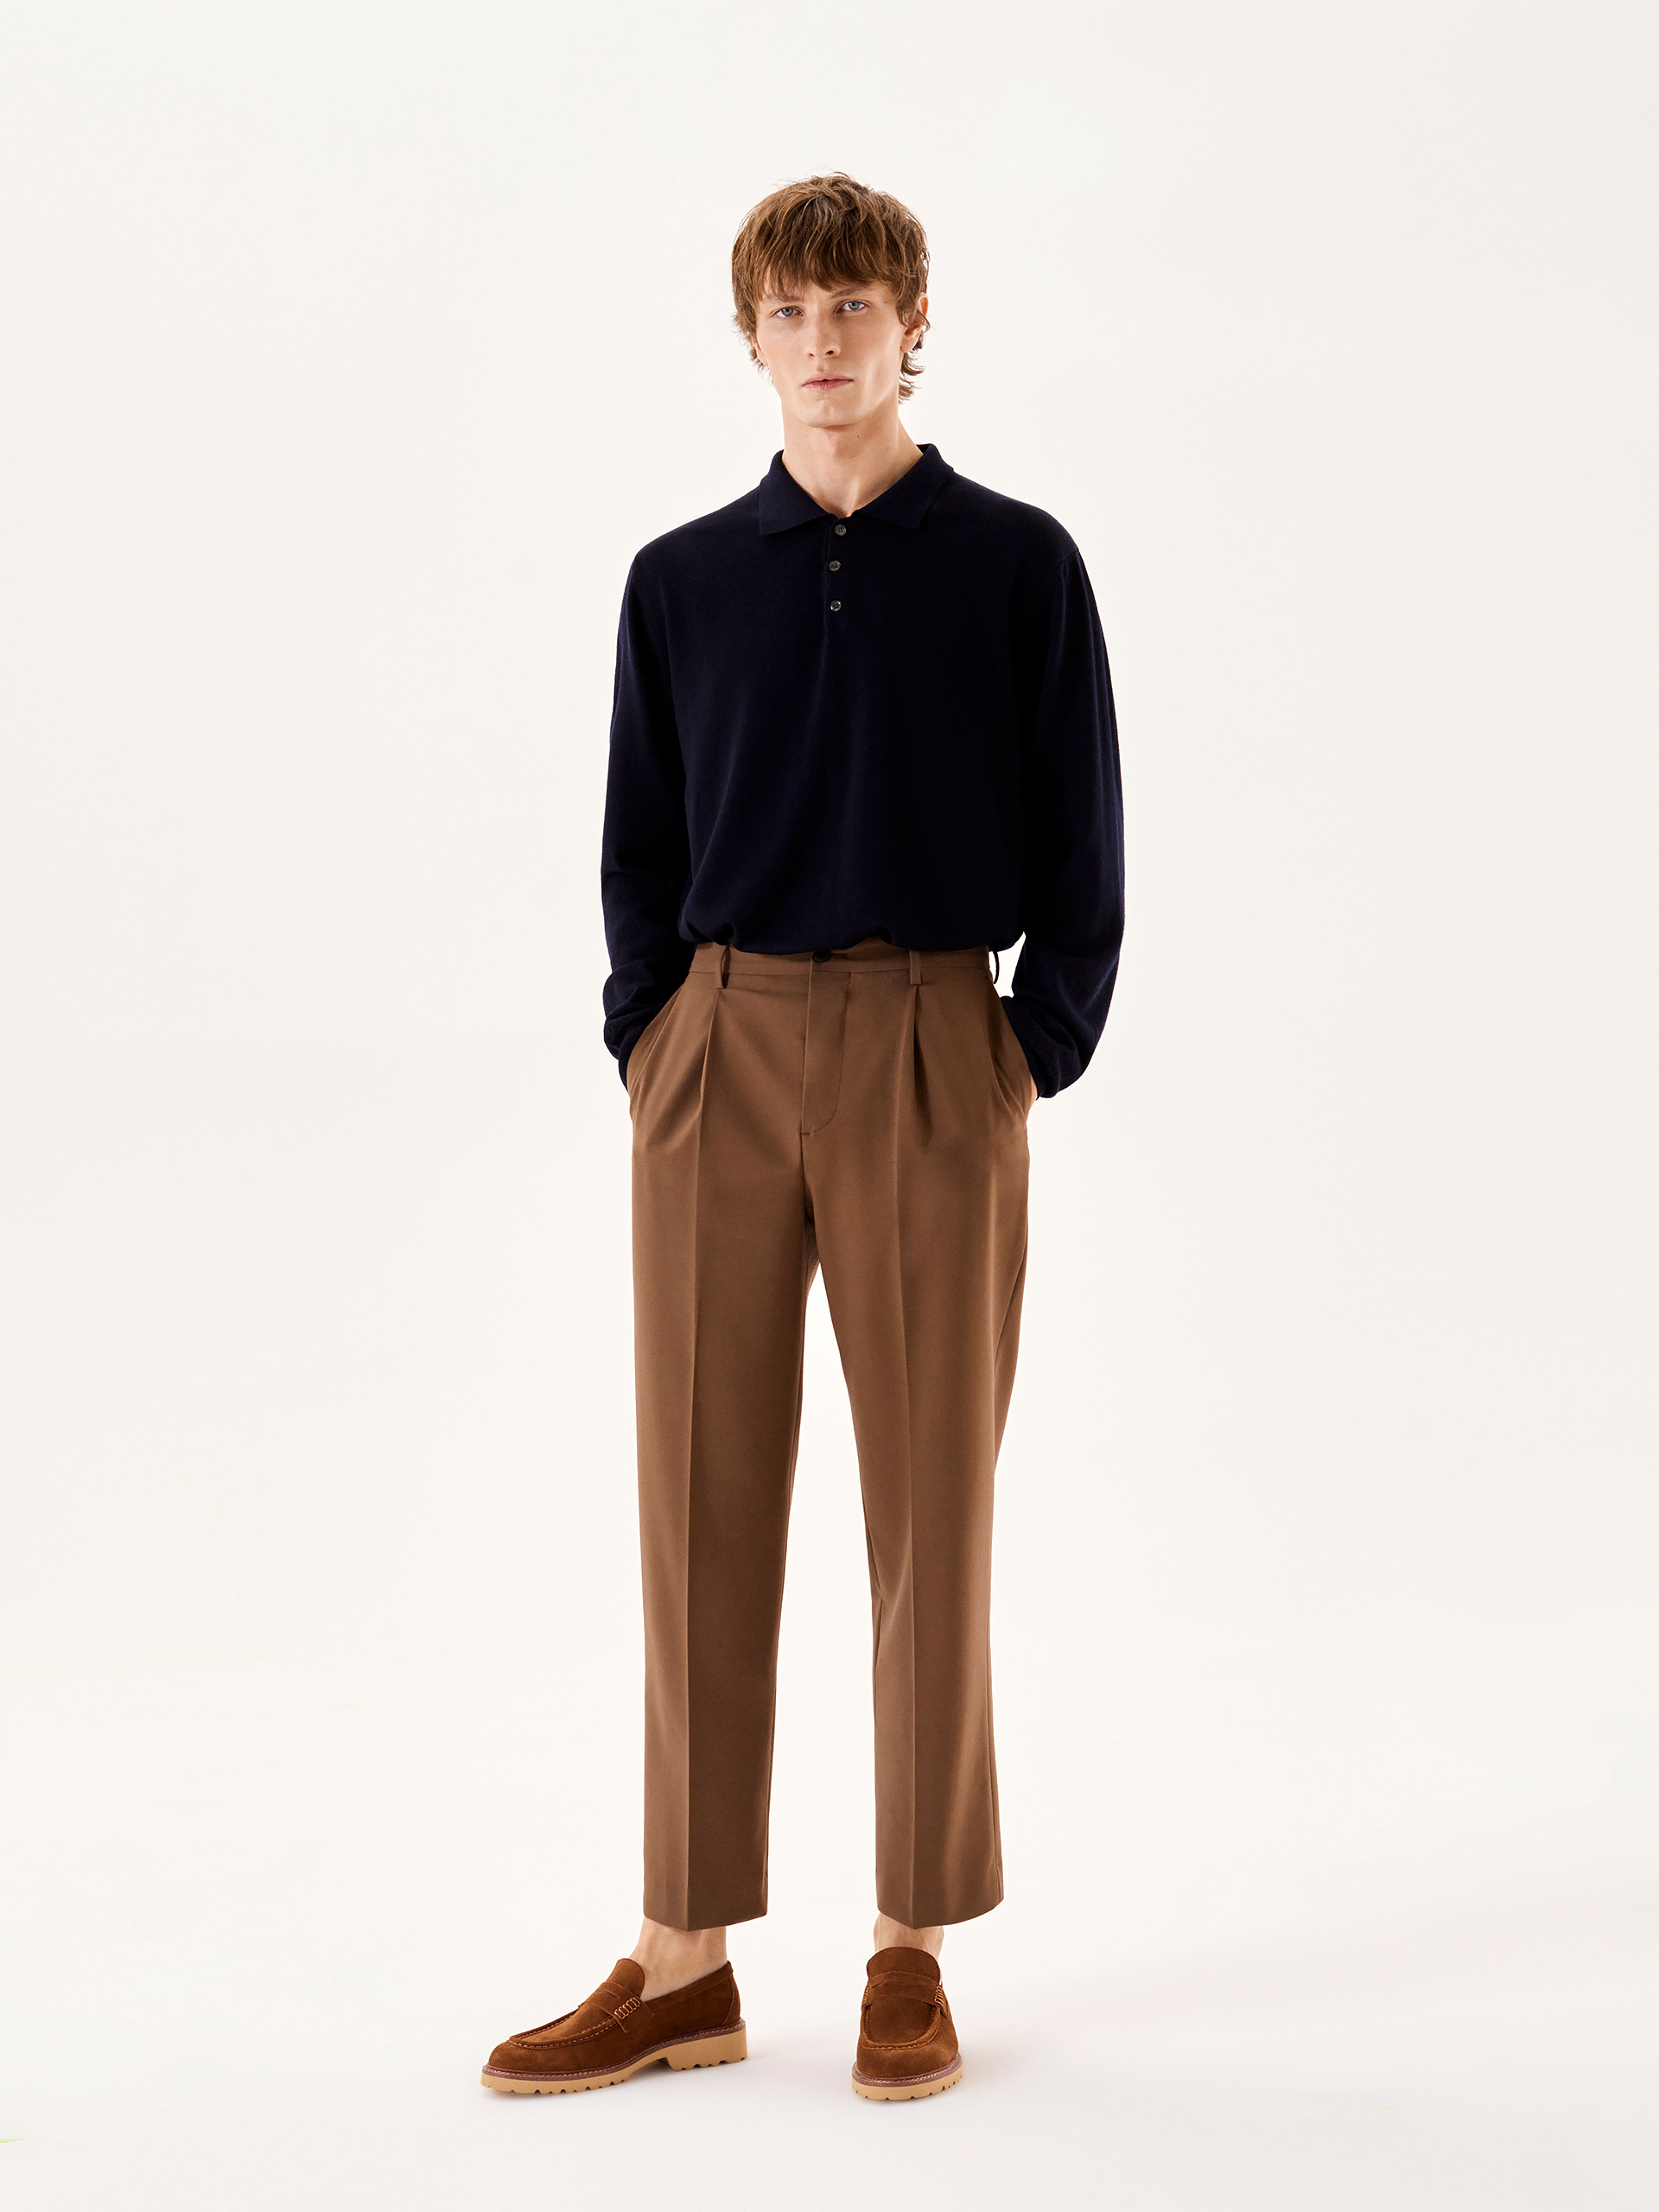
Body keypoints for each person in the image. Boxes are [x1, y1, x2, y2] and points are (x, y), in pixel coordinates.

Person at [481, 172, 1124, 2103]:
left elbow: (1084, 836)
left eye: (857, 307)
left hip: (935, 1044)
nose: (824, 341)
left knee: (932, 1509)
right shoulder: (683, 579)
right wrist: (652, 1037)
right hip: (720, 1049)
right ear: (750, 337)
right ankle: (682, 1956)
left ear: (913, 326)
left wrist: (1025, 1049)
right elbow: (638, 839)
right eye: (792, 311)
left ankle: (911, 1940)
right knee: (699, 1497)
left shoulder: (1016, 563)